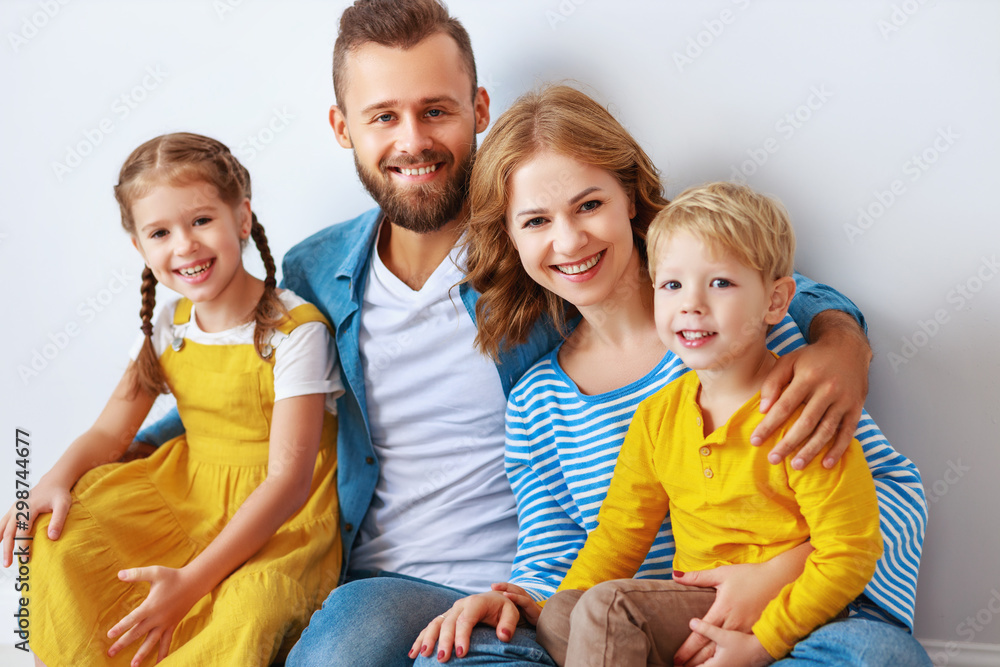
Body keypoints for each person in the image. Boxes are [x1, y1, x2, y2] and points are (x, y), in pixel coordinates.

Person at [132, 4, 895, 665]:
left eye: (436, 109)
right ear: (343, 128)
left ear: (477, 109)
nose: (412, 139)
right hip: (414, 576)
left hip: (622, 579)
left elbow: (739, 282)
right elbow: (237, 390)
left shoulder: (555, 269)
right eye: (383, 116)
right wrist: (110, 454)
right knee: (341, 648)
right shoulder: (317, 271)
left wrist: (840, 338)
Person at [411, 86, 929, 666]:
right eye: (536, 220)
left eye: (589, 205)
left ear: (629, 197)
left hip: (805, 616)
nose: (569, 240)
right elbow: (565, 557)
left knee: (877, 656)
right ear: (510, 235)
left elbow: (887, 500)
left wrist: (774, 583)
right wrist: (512, 600)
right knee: (470, 648)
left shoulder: (744, 337)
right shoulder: (537, 401)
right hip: (645, 626)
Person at [0, 133, 342, 666]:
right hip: (187, 494)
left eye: (201, 221)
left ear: (242, 219)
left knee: (246, 611)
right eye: (160, 232)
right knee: (59, 534)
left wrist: (189, 583)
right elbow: (111, 431)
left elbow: (289, 482)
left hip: (276, 518)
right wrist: (52, 480)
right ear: (140, 246)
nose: (184, 245)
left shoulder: (294, 333)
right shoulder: (170, 325)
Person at [533, 181, 885, 667]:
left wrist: (764, 642)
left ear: (776, 302)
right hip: (698, 608)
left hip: (788, 611)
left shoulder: (799, 412)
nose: (691, 304)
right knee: (561, 615)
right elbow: (619, 534)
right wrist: (542, 605)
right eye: (672, 285)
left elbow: (851, 550)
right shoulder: (659, 417)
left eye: (720, 283)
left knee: (609, 607)